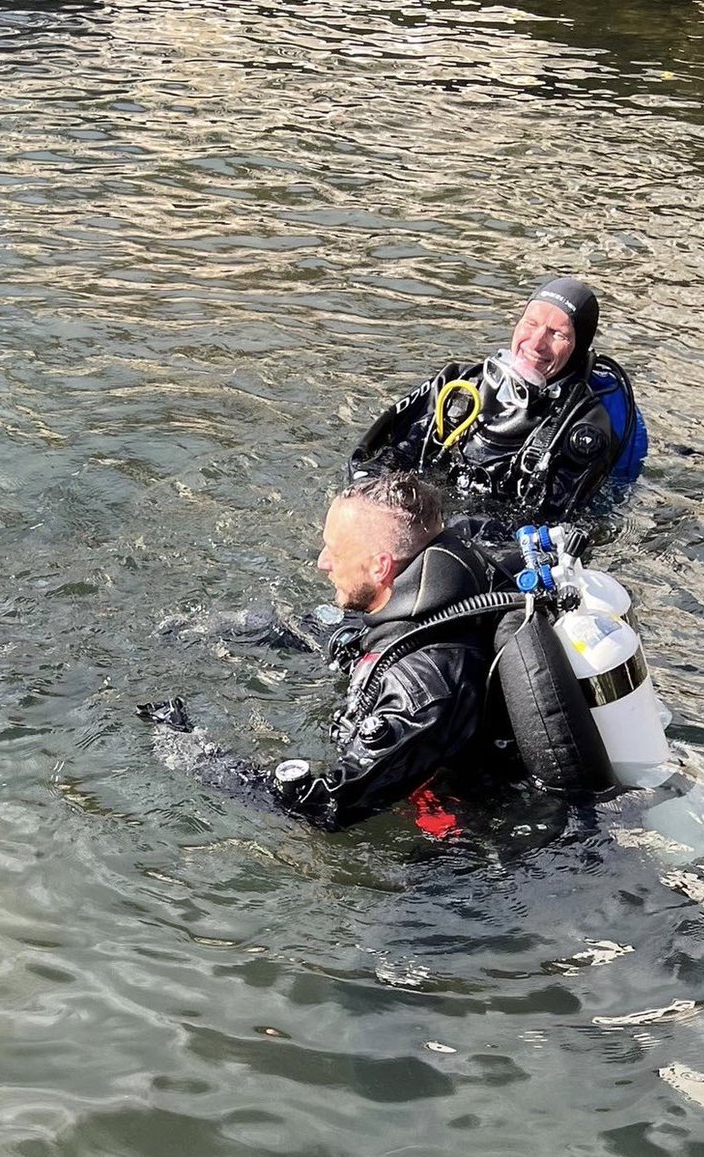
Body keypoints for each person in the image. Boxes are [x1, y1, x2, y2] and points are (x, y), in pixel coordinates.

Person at [268, 473, 506, 829]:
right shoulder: (454, 583)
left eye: (335, 551)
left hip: (459, 850)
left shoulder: (420, 688)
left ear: (380, 567)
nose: (322, 562)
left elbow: (327, 806)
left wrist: (195, 751)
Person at [348, 277, 647, 523]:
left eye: (558, 334)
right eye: (531, 323)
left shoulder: (583, 428)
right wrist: (380, 503)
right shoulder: (460, 384)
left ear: (578, 349)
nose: (536, 343)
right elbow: (386, 455)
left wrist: (437, 528)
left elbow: (544, 519)